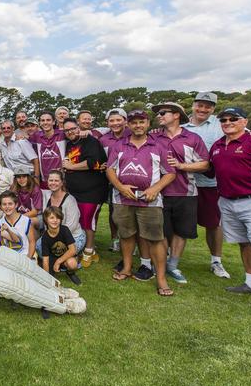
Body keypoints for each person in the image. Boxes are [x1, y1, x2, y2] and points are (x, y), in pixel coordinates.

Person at [106, 109, 176, 296]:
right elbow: (110, 170)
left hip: (149, 200)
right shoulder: (119, 145)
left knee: (155, 238)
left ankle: (161, 278)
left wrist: (155, 188)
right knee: (126, 234)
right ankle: (127, 268)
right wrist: (120, 187)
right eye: (134, 122)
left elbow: (170, 173)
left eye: (141, 122)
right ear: (128, 125)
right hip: (122, 198)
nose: (137, 125)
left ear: (147, 124)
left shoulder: (158, 146)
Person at [152, 101, 210, 285]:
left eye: (163, 112)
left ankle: (173, 265)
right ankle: (160, 263)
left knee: (181, 231)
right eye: (158, 113)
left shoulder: (192, 138)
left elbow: (205, 164)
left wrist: (181, 166)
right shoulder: (154, 137)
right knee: (161, 231)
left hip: (186, 191)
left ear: (176, 115)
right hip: (159, 192)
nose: (159, 116)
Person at [208, 107, 251, 294]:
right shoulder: (218, 145)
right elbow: (209, 169)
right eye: (223, 120)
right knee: (244, 242)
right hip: (227, 200)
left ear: (244, 121)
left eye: (233, 119)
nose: (227, 123)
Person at [183, 92, 231, 279]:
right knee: (179, 222)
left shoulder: (220, 126)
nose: (203, 109)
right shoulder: (180, 126)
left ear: (213, 109)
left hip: (210, 183)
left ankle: (216, 261)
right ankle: (172, 257)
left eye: (208, 106)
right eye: (200, 105)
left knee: (213, 224)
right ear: (194, 105)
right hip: (184, 182)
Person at [62, 117, 108, 267]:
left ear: (78, 127)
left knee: (89, 221)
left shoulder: (91, 141)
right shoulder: (69, 144)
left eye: (72, 128)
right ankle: (88, 250)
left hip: (92, 191)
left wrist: (71, 167)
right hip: (75, 191)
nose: (70, 132)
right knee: (79, 221)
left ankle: (88, 251)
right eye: (67, 130)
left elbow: (93, 163)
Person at [98, 108, 131, 252]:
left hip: (132, 178)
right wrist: (102, 164)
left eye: (119, 120)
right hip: (111, 181)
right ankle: (115, 239)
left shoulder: (133, 134)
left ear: (125, 121)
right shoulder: (104, 139)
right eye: (112, 121)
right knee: (114, 212)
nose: (115, 123)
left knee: (132, 212)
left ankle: (131, 240)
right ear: (107, 123)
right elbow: (101, 159)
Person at [39, 170, 85, 255]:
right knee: (39, 248)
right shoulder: (46, 194)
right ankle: (67, 259)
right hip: (52, 235)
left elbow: (72, 225)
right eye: (51, 180)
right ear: (47, 181)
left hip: (72, 236)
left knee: (58, 253)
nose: (53, 183)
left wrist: (54, 238)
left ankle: (71, 258)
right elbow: (31, 188)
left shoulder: (70, 200)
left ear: (62, 183)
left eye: (56, 180)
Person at [40, 206, 81, 285]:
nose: (55, 220)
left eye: (58, 218)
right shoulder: (45, 237)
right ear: (46, 219)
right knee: (49, 276)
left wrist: (58, 262)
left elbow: (72, 250)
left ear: (61, 219)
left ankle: (70, 272)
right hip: (52, 258)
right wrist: (46, 279)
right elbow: (45, 259)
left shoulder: (64, 230)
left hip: (65, 257)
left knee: (72, 263)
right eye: (52, 218)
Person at [30, 111, 65, 189]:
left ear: (53, 122)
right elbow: (25, 134)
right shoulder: (36, 136)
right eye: (42, 120)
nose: (45, 123)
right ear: (39, 123)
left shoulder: (62, 134)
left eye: (48, 120)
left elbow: (75, 132)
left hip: (62, 179)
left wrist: (87, 131)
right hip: (45, 180)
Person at [0, 190, 35, 258]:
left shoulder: (26, 221)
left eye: (10, 204)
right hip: (9, 258)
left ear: (16, 205)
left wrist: (28, 258)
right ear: (0, 206)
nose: (7, 207)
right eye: (4, 204)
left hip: (24, 256)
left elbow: (32, 242)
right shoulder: (0, 222)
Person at [11, 166, 43, 230]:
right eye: (18, 177)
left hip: (35, 217)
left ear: (29, 177)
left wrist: (18, 218)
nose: (21, 179)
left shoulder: (35, 190)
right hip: (19, 215)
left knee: (25, 223)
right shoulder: (14, 189)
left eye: (24, 177)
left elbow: (35, 212)